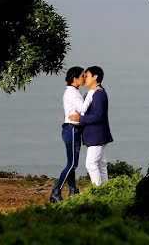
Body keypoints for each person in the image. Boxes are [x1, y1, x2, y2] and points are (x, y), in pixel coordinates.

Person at [50, 66, 89, 203]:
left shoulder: (74, 92)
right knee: (72, 164)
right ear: (75, 78)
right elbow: (83, 110)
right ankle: (56, 191)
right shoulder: (72, 93)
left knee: (72, 163)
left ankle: (73, 190)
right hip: (72, 129)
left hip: (72, 129)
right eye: (82, 75)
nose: (84, 78)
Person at [69, 65, 113, 186]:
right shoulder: (92, 92)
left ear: (95, 77)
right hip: (96, 135)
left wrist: (80, 119)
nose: (85, 78)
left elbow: (98, 116)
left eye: (87, 76)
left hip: (97, 135)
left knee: (91, 164)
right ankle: (104, 189)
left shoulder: (98, 94)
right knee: (101, 164)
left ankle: (97, 190)